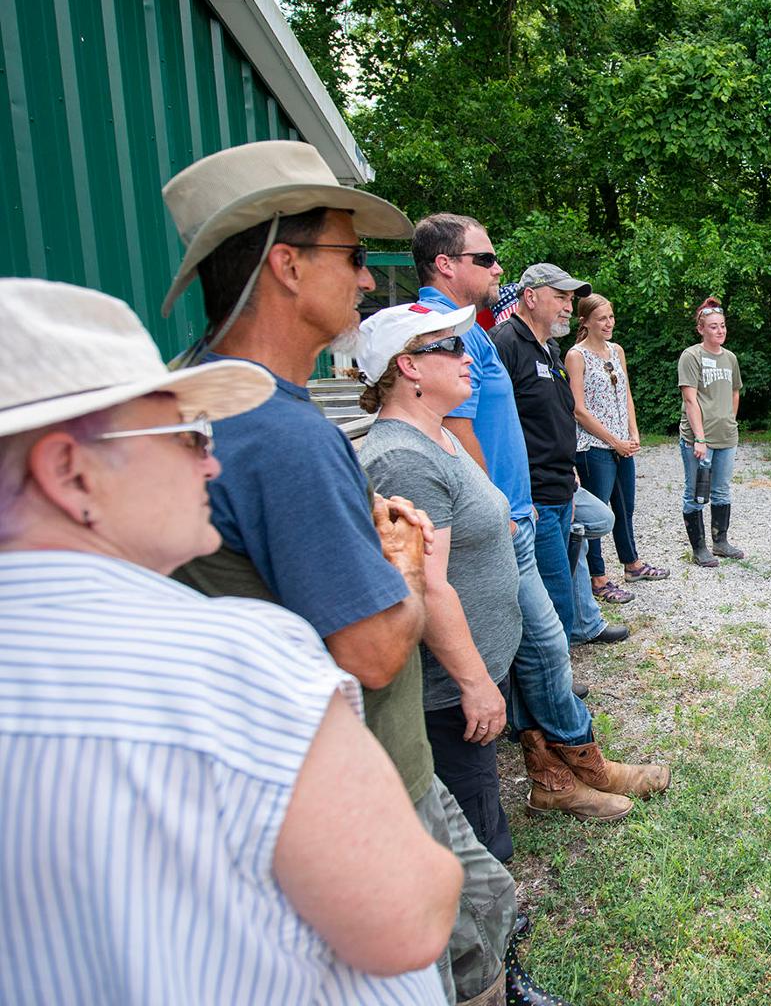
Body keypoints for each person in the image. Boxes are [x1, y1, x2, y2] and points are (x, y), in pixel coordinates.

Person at [0, 278, 459, 1003]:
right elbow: (413, 916)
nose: (211, 462)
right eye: (183, 435)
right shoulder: (236, 657)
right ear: (68, 471)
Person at [156, 142, 536, 1005]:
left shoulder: (194, 394)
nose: (369, 283)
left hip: (331, 775)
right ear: (286, 266)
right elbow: (368, 652)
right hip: (357, 788)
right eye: (355, 257)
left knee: (483, 900)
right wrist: (402, 563)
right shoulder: (281, 434)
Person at [414, 214, 670, 821]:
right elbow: (456, 426)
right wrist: (493, 505)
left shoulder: (471, 330)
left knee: (537, 648)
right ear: (446, 265)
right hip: (502, 523)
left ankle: (554, 779)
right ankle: (584, 766)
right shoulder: (442, 331)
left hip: (521, 511)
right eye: (486, 258)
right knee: (547, 645)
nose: (497, 268)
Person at [357, 303, 523, 862]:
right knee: (472, 837)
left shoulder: (437, 438)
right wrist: (474, 683)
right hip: (447, 693)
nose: (464, 355)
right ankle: (492, 946)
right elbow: (426, 587)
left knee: (479, 805)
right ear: (408, 367)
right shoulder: (404, 458)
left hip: (470, 675)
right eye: (449, 347)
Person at [490, 265, 630, 646]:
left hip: (562, 484)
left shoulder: (549, 347)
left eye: (571, 299)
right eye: (560, 297)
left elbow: (556, 414)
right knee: (553, 591)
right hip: (532, 494)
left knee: (595, 525)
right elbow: (494, 424)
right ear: (530, 297)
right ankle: (557, 681)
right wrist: (512, 494)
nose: (569, 307)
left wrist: (569, 468)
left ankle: (583, 626)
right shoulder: (505, 343)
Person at [567, 293, 667, 602]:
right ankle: (598, 578)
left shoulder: (617, 351)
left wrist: (633, 433)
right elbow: (578, 409)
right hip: (594, 446)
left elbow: (626, 395)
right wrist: (614, 440)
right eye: (601, 318)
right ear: (585, 321)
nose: (608, 323)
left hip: (623, 444)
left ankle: (632, 563)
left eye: (611, 317)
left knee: (626, 508)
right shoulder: (576, 355)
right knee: (597, 514)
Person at [677, 296, 743, 567]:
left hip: (726, 436)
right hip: (699, 440)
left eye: (723, 326)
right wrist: (700, 438)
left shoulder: (730, 358)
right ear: (701, 329)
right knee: (695, 492)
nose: (720, 331)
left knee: (722, 491)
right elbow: (690, 399)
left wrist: (729, 420)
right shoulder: (692, 356)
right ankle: (699, 548)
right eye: (713, 326)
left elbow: (735, 391)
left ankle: (720, 542)